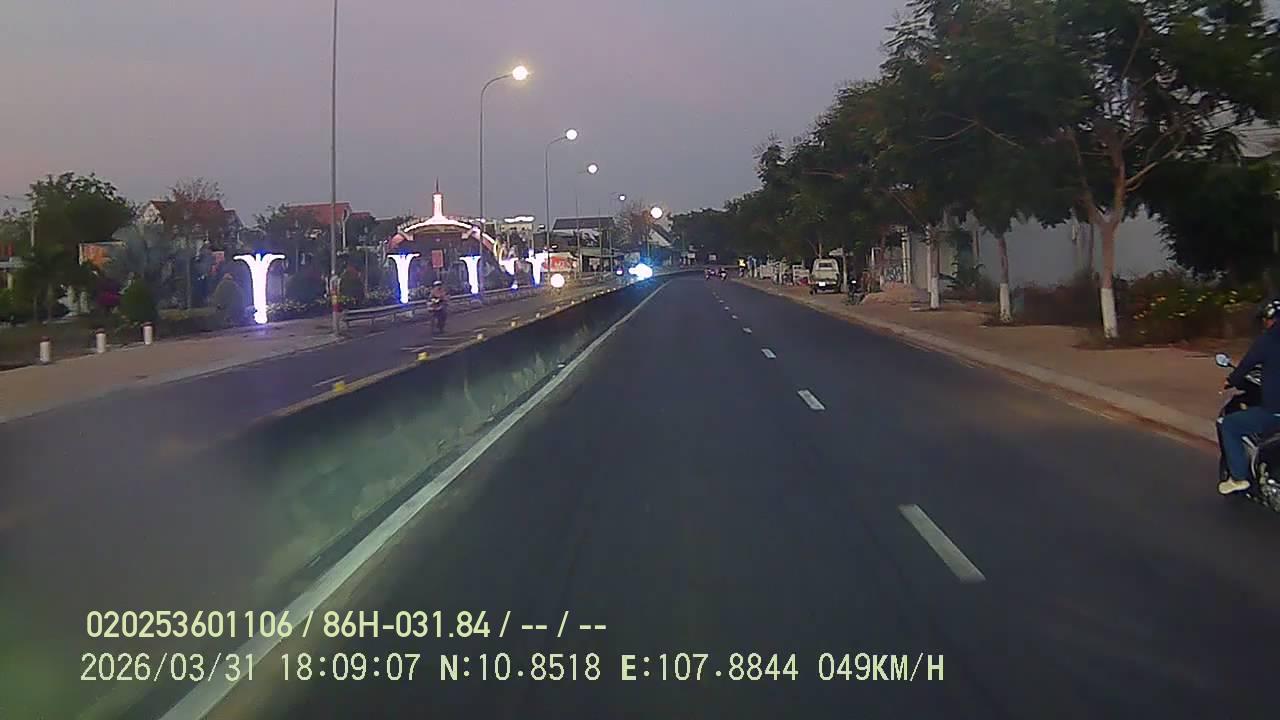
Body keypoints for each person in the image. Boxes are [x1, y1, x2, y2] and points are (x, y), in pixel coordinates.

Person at [1219, 299, 1280, 494]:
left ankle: (1238, 478)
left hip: (1275, 411)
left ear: (1270, 319)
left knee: (1229, 425)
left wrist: (1231, 380)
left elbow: (1246, 366)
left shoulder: (1268, 340)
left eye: (1265, 320)